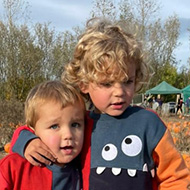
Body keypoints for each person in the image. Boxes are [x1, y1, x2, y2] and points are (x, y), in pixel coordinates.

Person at [9, 18, 190, 190]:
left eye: (127, 81)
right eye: (107, 83)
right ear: (84, 84)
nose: (119, 92)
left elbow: (175, 177)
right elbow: (28, 131)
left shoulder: (148, 123)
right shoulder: (79, 124)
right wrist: (27, 142)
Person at [0, 80, 85, 190]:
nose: (68, 134)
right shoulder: (13, 167)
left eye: (75, 124)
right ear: (33, 130)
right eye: (54, 126)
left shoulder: (86, 164)